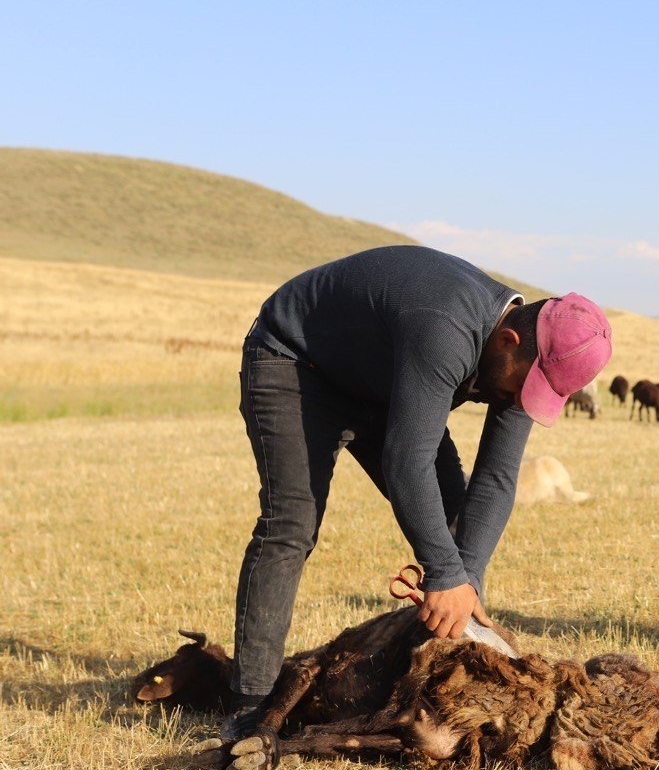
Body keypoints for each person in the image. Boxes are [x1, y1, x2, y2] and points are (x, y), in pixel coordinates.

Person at [225, 244, 611, 737]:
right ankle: (249, 707)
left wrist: (464, 579)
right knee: (291, 526)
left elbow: (495, 479)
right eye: (523, 388)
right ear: (509, 340)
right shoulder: (444, 328)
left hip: (379, 381)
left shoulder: (526, 357)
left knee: (454, 537)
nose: (520, 401)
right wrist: (445, 573)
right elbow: (407, 461)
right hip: (297, 363)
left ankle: (440, 687)